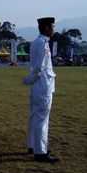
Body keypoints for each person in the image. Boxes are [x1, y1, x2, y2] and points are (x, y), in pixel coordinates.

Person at [23, 17, 59, 163]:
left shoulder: (37, 42)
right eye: (52, 27)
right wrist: (29, 80)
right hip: (43, 85)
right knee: (42, 119)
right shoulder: (42, 43)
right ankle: (40, 152)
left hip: (39, 85)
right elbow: (39, 68)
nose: (53, 30)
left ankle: (32, 145)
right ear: (46, 28)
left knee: (34, 117)